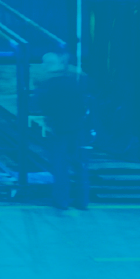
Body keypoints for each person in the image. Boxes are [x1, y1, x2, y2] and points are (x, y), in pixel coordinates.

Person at [34, 51, 92, 210]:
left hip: (58, 129)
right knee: (79, 164)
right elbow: (82, 105)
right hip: (77, 127)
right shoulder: (74, 82)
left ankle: (61, 200)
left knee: (60, 166)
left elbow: (43, 106)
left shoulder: (46, 85)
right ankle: (82, 200)